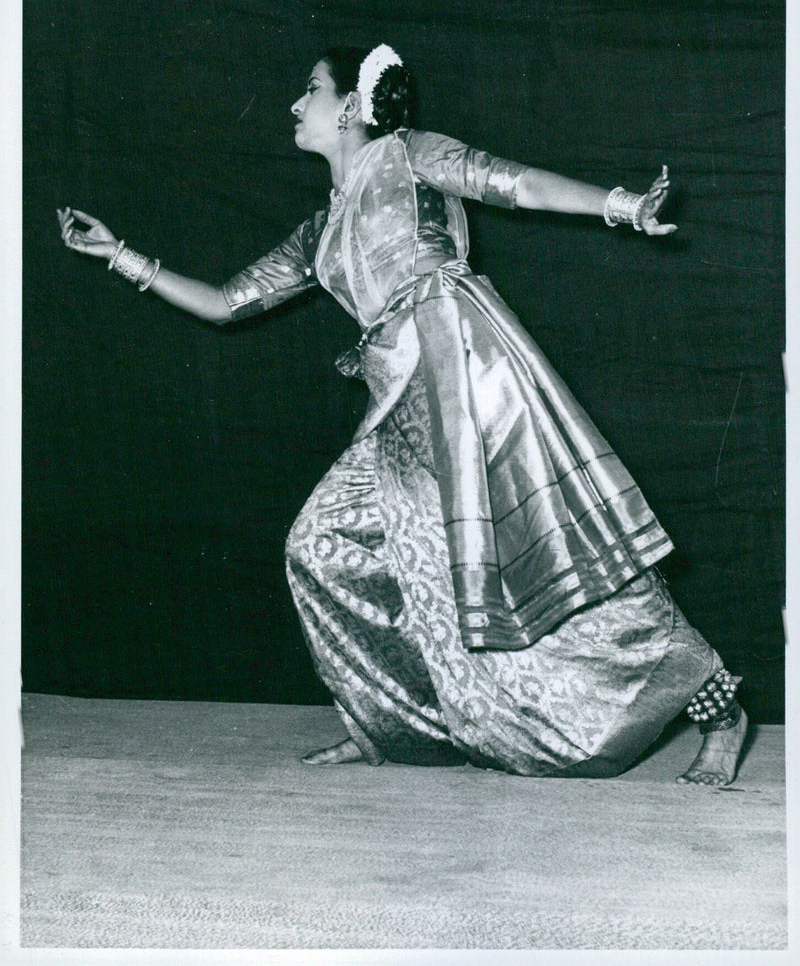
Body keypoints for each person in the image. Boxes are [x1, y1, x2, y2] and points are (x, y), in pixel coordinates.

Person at [58, 43, 748, 785]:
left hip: (463, 367)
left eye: (311, 88)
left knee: (547, 547)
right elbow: (228, 302)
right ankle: (394, 723)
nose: (296, 104)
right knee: (320, 546)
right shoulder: (317, 230)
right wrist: (118, 255)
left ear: (353, 104)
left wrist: (621, 205)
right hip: (397, 397)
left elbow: (514, 183)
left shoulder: (407, 155)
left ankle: (718, 708)